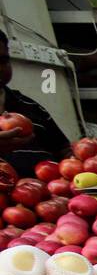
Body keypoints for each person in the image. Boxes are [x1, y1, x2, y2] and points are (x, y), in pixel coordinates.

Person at [0, 30, 71, 177]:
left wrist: (84, 154)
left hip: (48, 195)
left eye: (3, 61)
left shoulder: (29, 106)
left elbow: (63, 150)